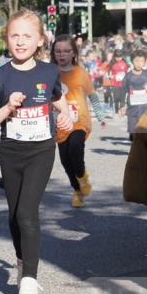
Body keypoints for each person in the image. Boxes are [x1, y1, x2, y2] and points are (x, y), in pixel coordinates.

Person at [0, 10, 73, 294]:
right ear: (6, 39)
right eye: (14, 36)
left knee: (27, 212)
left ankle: (30, 278)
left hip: (41, 150)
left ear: (40, 40)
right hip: (11, 152)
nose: (20, 42)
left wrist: (66, 115)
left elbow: (58, 98)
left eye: (27, 36)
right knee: (14, 214)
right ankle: (21, 262)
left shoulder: (48, 72)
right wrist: (7, 108)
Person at [53, 36, 106, 208]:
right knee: (66, 161)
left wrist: (100, 116)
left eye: (67, 51)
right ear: (53, 53)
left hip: (79, 122)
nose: (62, 55)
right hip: (60, 123)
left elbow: (93, 97)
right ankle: (77, 190)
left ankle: (83, 177)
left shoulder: (81, 73)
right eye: (58, 51)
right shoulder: (50, 73)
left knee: (75, 148)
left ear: (74, 53)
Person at [123, 50, 147, 139]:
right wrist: (122, 106)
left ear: (145, 62)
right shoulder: (128, 76)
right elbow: (123, 91)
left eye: (142, 61)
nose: (139, 63)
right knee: (133, 133)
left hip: (145, 108)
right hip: (132, 109)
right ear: (132, 61)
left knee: (144, 132)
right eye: (137, 61)